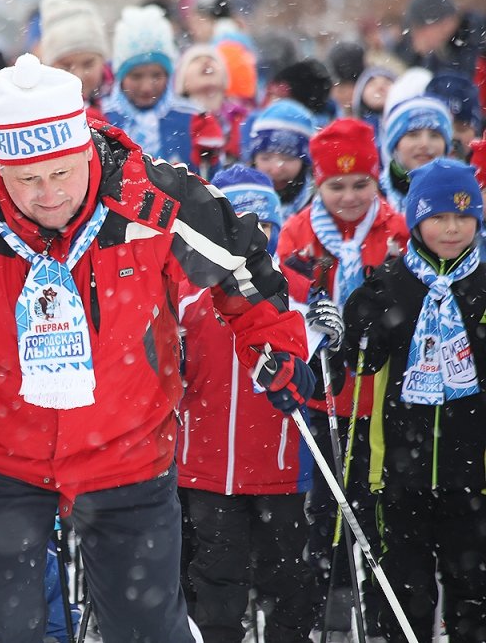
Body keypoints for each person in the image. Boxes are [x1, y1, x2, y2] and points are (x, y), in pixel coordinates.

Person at [0, 53, 313, 643]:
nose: (46, 195)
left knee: (147, 628)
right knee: (1, 629)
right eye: (26, 180)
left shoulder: (151, 197)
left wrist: (275, 345)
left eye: (62, 173)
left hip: (128, 447)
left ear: (86, 152)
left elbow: (244, 266)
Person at [343, 158, 486, 643]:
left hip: (474, 474)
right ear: (416, 218)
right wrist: (354, 314)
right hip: (399, 474)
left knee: (474, 593)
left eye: (465, 217)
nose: (453, 228)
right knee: (406, 596)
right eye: (440, 216)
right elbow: (357, 364)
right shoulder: (390, 285)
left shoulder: (483, 287)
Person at [277, 118, 408, 640]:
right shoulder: (297, 233)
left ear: (377, 182)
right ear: (318, 185)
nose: (350, 197)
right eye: (336, 185)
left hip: (380, 399)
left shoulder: (396, 231)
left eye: (361, 185)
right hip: (321, 396)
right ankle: (324, 605)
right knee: (323, 510)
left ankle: (377, 608)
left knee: (374, 506)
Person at [177, 165, 321, 643]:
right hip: (207, 467)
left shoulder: (295, 296)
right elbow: (168, 374)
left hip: (279, 468)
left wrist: (328, 351)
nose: (252, 237)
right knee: (215, 581)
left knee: (288, 581)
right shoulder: (190, 294)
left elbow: (324, 388)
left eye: (262, 225)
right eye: (239, 225)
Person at [103, 5, 218, 174]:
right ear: (120, 76)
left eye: (156, 75)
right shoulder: (102, 118)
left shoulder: (194, 117)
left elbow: (214, 179)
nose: (147, 86)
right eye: (136, 76)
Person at [37, 0, 111, 120]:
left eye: (88, 64)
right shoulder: (40, 108)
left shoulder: (126, 97)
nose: (78, 75)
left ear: (102, 60)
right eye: (66, 67)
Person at [379, 94, 452, 212]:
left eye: (434, 135)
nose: (425, 144)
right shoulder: (373, 194)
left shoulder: (461, 191)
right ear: (394, 144)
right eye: (413, 135)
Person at [246, 99, 317, 220]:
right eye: (266, 158)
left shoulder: (320, 205)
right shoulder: (234, 199)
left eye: (288, 158)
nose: (276, 169)